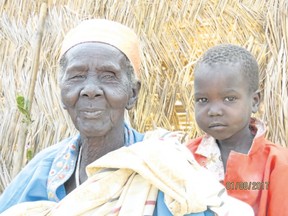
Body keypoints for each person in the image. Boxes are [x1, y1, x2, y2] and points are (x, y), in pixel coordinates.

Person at [0, 19, 232, 216]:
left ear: (132, 93)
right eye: (77, 76)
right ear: (62, 94)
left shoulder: (167, 170)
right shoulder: (41, 171)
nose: (90, 89)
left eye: (109, 76)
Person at [186, 44, 288, 215]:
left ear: (254, 101)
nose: (214, 111)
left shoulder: (278, 164)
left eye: (229, 98)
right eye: (203, 99)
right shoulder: (185, 158)